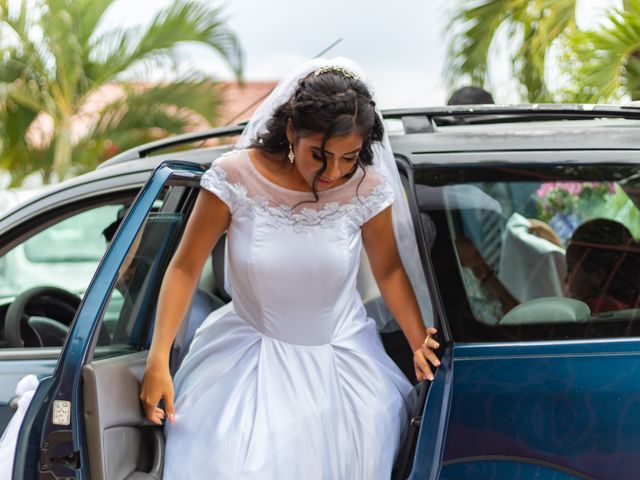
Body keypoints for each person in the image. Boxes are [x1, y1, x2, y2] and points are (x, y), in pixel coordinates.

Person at [139, 57, 439, 479]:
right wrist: (157, 360)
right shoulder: (235, 177)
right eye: (319, 155)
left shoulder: (367, 189)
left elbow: (388, 270)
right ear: (290, 132)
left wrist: (416, 342)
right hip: (244, 363)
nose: (334, 172)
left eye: (349, 157)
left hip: (343, 370)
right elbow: (185, 267)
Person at [565, 218, 640, 314]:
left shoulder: (591, 312)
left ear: (597, 275)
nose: (566, 279)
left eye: (570, 269)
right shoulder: (631, 306)